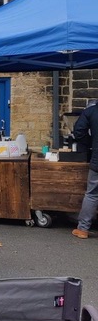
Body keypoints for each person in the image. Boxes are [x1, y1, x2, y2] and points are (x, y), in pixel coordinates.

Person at [72, 101, 98, 239]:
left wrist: (91, 143)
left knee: (92, 194)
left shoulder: (91, 111)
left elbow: (79, 131)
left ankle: (83, 229)